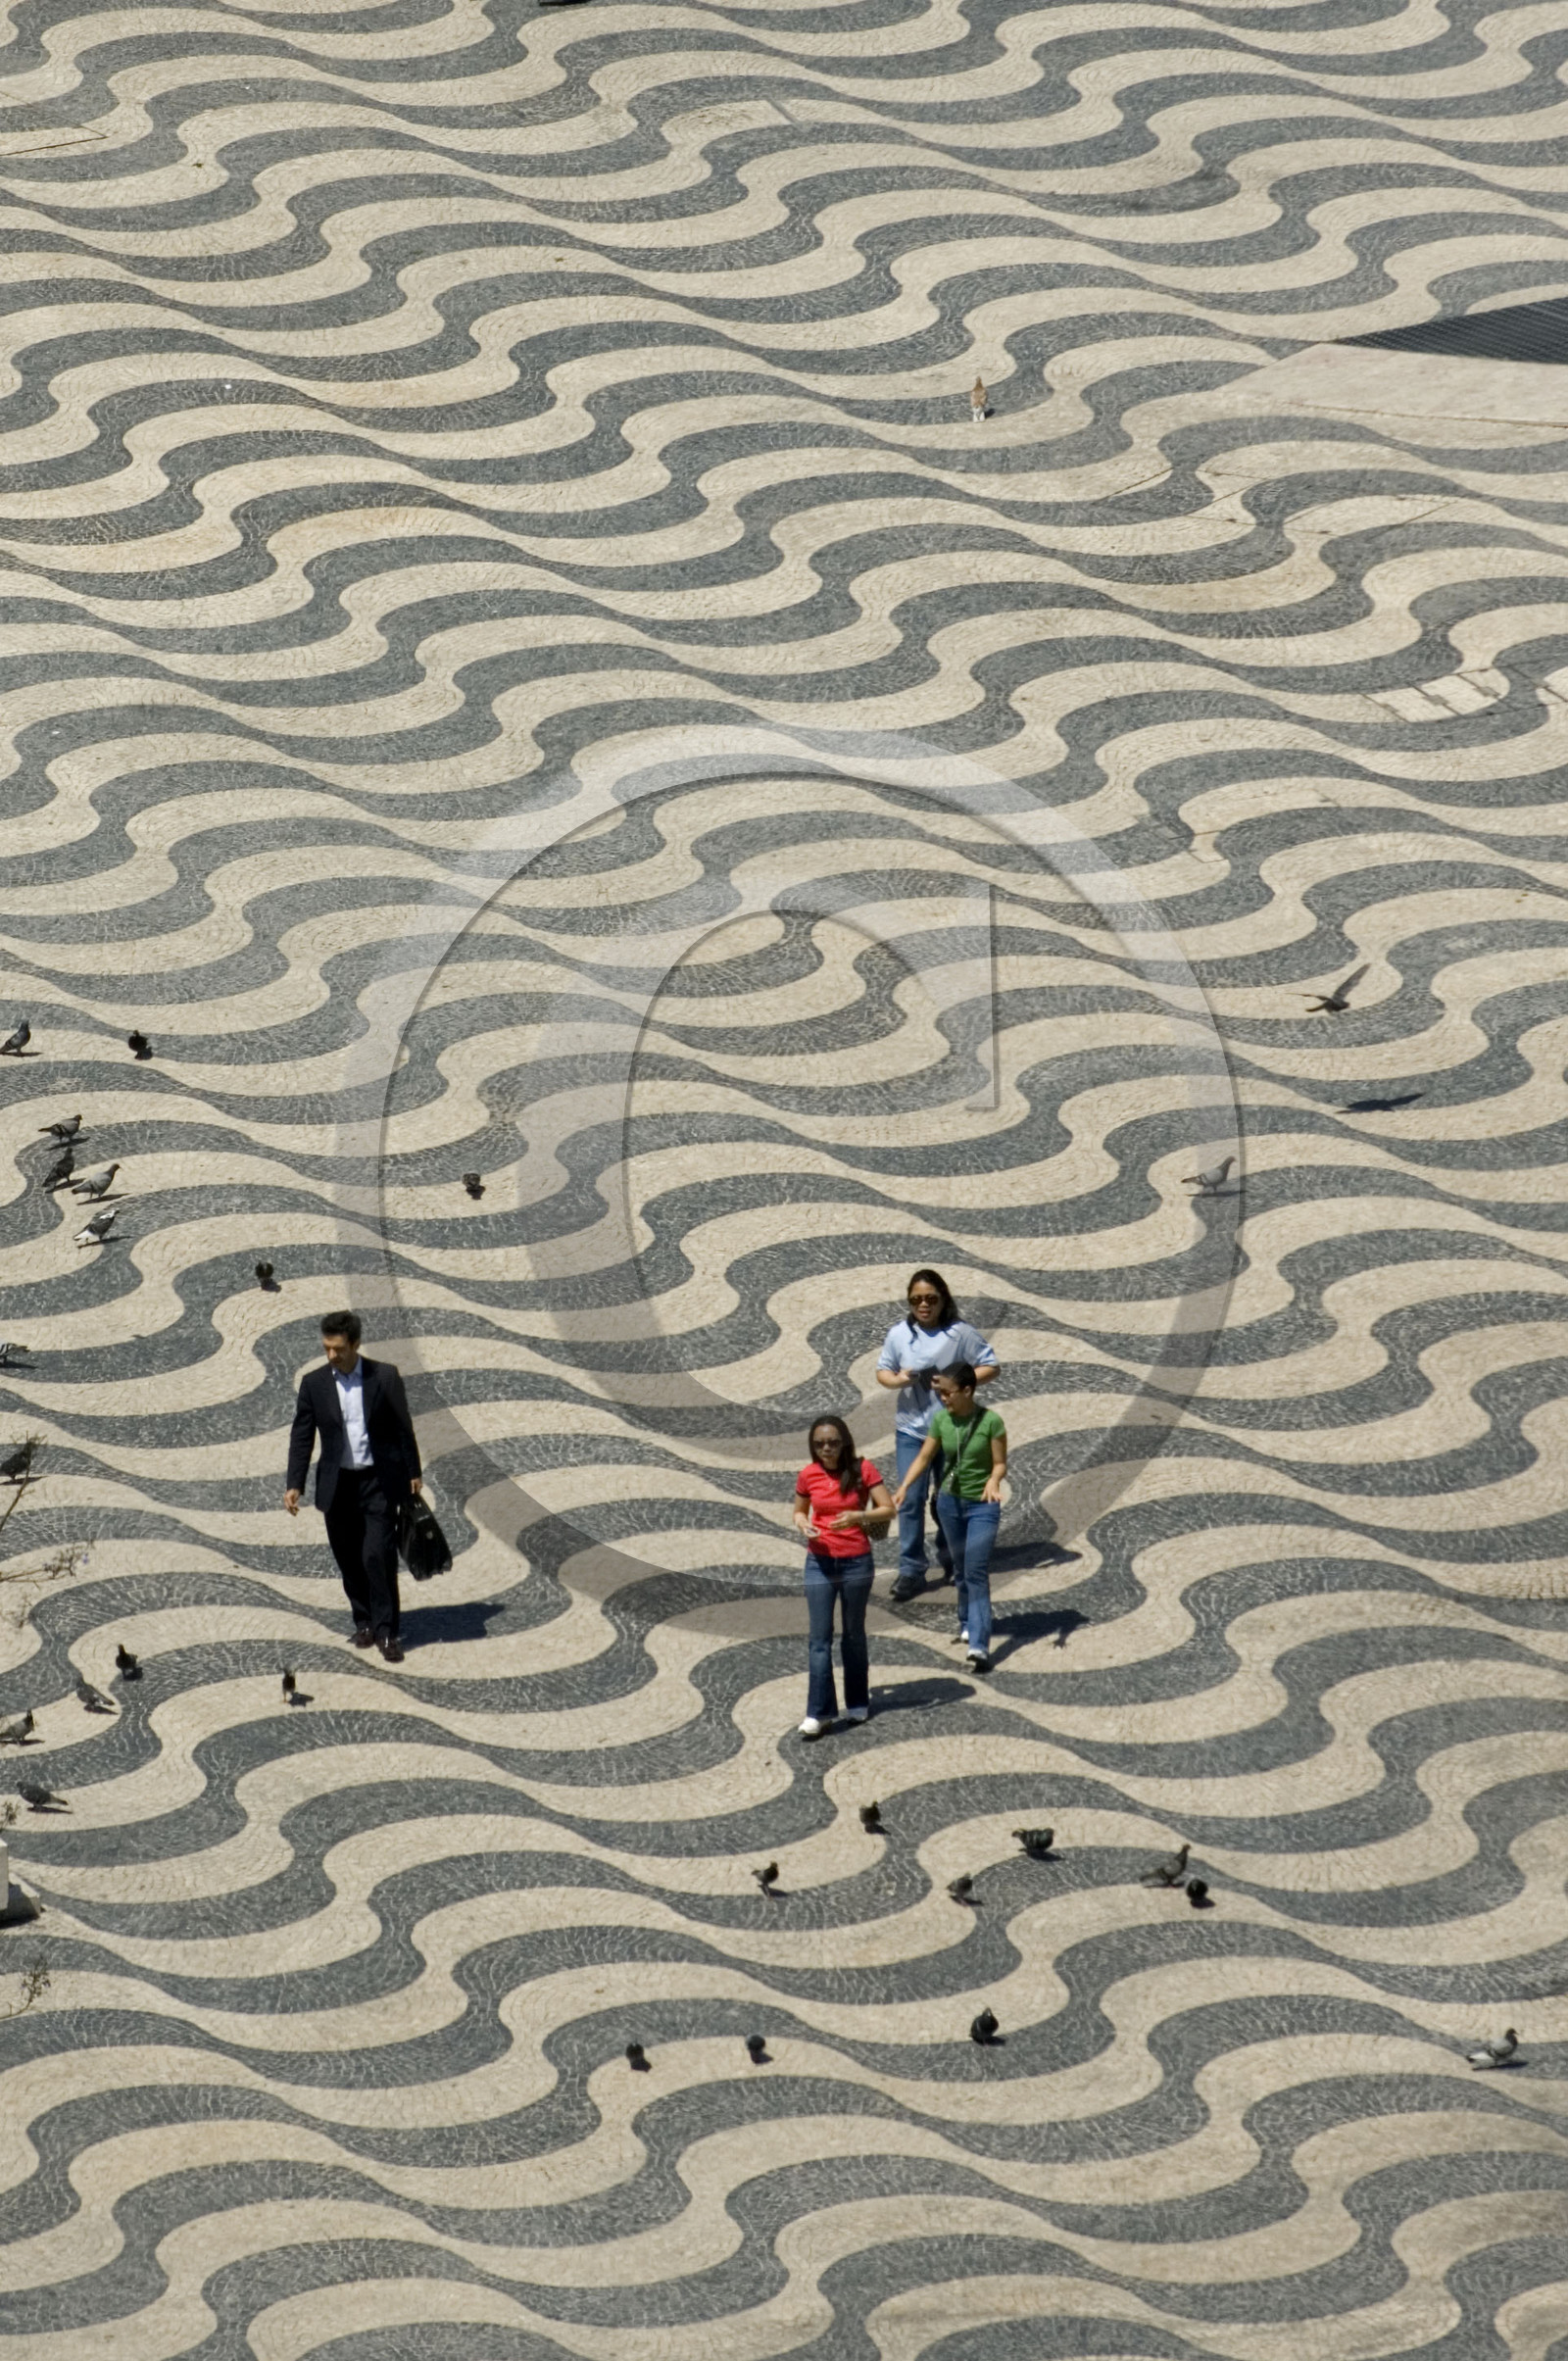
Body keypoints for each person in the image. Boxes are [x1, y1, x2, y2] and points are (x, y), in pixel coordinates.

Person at [284, 1311, 422, 1663]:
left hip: (377, 1481)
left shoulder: (384, 1376)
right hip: (338, 1483)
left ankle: (388, 1629)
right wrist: (294, 1483)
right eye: (327, 1348)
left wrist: (413, 1470)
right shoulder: (314, 1384)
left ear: (356, 1345)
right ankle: (364, 1622)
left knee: (377, 1555)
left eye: (339, 1349)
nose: (332, 1356)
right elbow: (302, 1436)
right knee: (348, 1558)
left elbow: (402, 1426)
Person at [875, 1268, 997, 1601]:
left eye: (930, 1298)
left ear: (943, 1299)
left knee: (950, 1500)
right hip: (911, 1431)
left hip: (952, 1431)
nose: (923, 1305)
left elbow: (990, 1365)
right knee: (910, 1500)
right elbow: (882, 1371)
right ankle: (911, 1569)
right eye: (916, 1300)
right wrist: (897, 1381)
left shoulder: (961, 1334)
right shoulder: (899, 1334)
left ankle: (953, 1558)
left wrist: (959, 1383)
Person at [890, 1363, 1005, 1672]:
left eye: (947, 1393)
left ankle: (979, 1645)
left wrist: (994, 1480)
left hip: (982, 1506)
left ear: (967, 1390)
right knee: (964, 1571)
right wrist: (904, 1487)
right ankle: (966, 1619)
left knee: (977, 1571)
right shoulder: (941, 1421)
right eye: (940, 1393)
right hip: (949, 1505)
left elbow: (999, 1463)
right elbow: (925, 1457)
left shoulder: (991, 1422)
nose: (942, 1398)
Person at [792, 1415, 893, 1738]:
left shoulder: (864, 1470)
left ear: (845, 1442)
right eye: (819, 1444)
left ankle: (858, 1700)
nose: (826, 1449)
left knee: (853, 1635)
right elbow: (799, 1510)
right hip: (819, 1563)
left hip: (856, 1562)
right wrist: (802, 1524)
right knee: (819, 1640)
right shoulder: (808, 1475)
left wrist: (858, 1515)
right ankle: (818, 1712)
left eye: (833, 1443)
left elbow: (888, 1508)